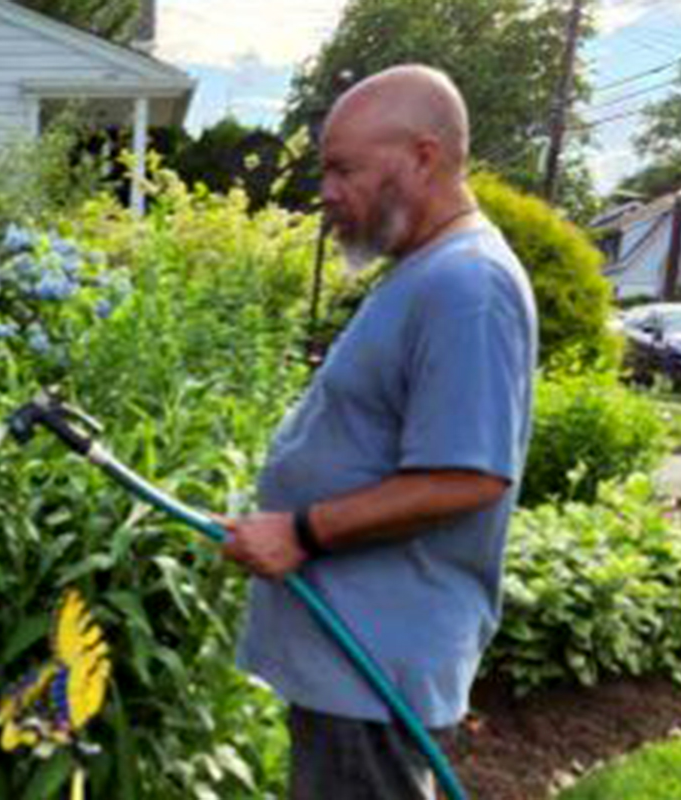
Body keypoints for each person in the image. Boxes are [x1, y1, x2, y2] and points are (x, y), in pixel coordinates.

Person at [220, 65, 538, 799]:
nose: (326, 191)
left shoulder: (468, 287)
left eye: (342, 169)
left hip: (375, 665)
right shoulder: (425, 271)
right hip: (350, 655)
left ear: (422, 157)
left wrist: (300, 530)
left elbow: (470, 476)